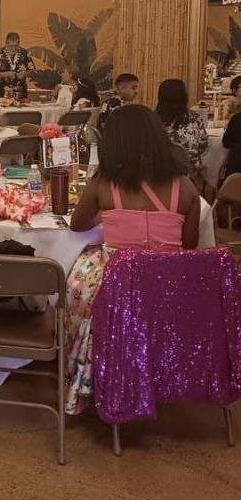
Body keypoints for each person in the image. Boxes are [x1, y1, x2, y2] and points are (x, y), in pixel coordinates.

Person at [66, 105, 200, 414]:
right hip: (167, 292)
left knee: (74, 281)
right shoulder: (186, 187)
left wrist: (109, 213)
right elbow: (189, 247)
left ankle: (87, 366)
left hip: (116, 292)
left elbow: (78, 224)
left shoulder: (103, 183)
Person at [155, 78, 208, 177]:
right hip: (188, 172)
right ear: (184, 96)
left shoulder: (152, 118)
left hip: (158, 170)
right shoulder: (194, 118)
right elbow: (203, 145)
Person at [0, 32, 36, 101]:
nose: (13, 48)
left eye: (16, 46)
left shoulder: (25, 53)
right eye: (11, 46)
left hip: (21, 95)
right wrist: (6, 74)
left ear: (19, 43)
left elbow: (33, 72)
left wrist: (24, 74)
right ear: (6, 43)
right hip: (2, 95)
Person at [222, 75, 241, 177]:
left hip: (236, 165)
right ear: (234, 90)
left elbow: (226, 142)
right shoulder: (229, 104)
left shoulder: (236, 118)